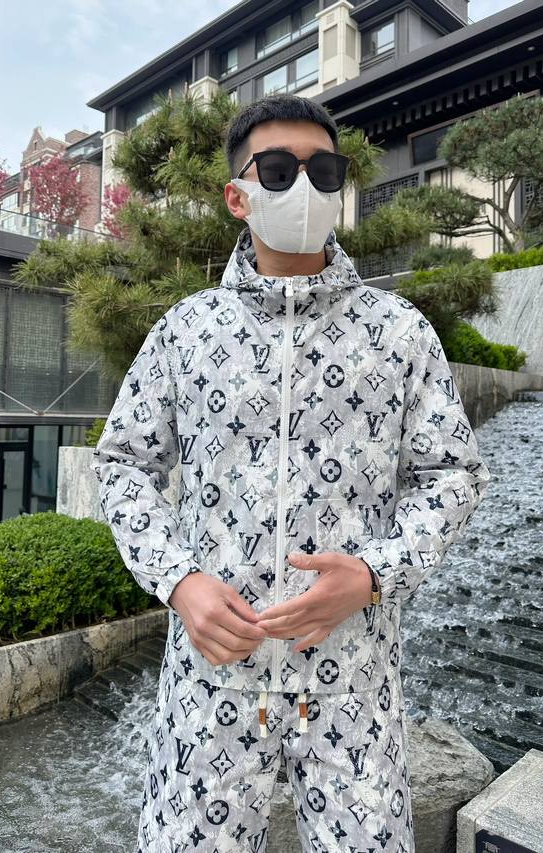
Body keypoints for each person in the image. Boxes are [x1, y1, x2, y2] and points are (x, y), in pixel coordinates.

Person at [91, 93, 491, 853]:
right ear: (236, 196)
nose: (303, 187)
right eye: (277, 170)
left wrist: (374, 572)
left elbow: (453, 474)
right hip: (211, 682)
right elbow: (122, 463)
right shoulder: (186, 331)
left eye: (323, 171)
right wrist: (179, 580)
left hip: (354, 681)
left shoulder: (400, 333)